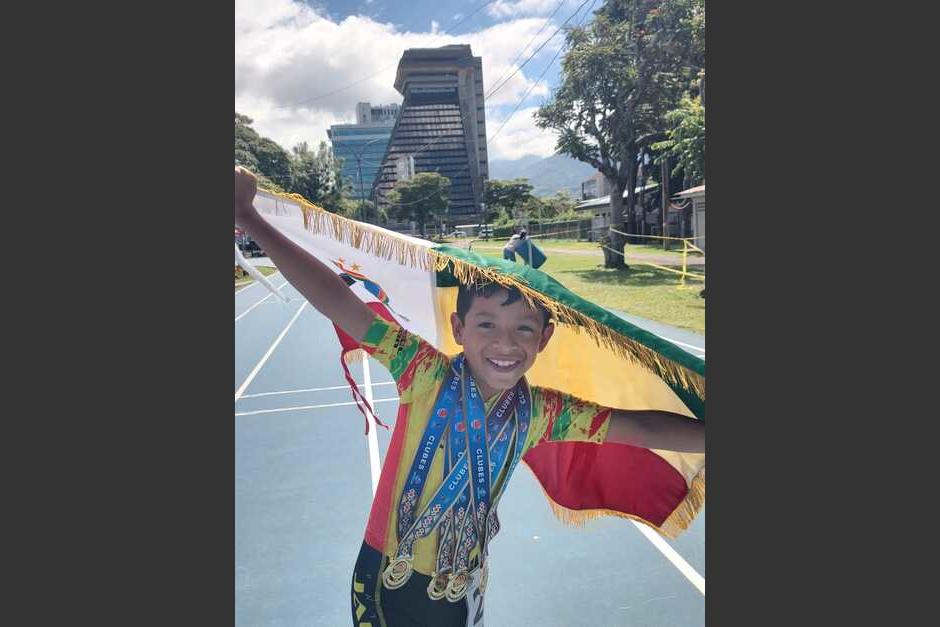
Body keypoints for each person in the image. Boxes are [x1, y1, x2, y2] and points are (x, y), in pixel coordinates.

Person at [234, 166, 704, 626]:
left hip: (466, 582)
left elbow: (638, 427)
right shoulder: (421, 373)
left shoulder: (542, 413)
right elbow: (337, 301)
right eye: (486, 326)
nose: (506, 344)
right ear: (458, 329)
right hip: (388, 580)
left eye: (524, 329)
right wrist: (250, 219)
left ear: (544, 339)